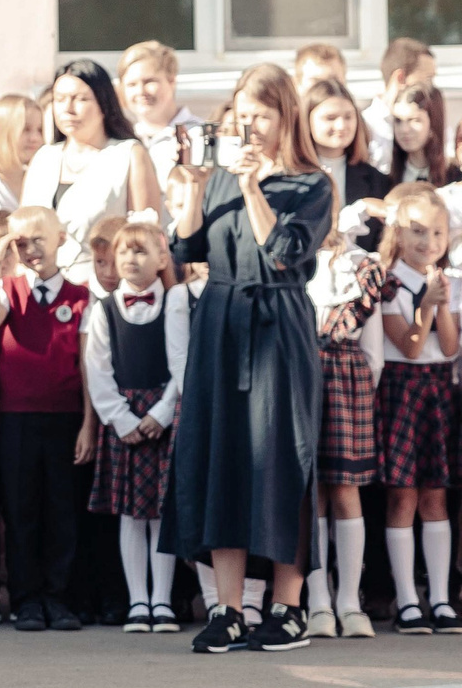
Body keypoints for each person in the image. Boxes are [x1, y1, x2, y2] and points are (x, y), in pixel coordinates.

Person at [163, 63, 335, 655]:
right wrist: (191, 189)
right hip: (219, 319)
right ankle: (229, 610)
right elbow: (185, 250)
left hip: (278, 326)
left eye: (261, 114)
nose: (251, 125)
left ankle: (288, 610)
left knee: (282, 460)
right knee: (221, 458)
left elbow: (285, 252)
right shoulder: (217, 177)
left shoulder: (313, 183)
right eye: (243, 113)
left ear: (286, 115)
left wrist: (252, 187)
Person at [0, 203, 92, 632]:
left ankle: (58, 596)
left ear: (61, 237)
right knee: (21, 509)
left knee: (62, 509)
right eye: (22, 242)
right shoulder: (10, 290)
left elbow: (85, 366)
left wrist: (88, 424)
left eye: (39, 239)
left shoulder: (80, 296)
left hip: (64, 416)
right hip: (19, 418)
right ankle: (26, 598)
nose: (31, 249)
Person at [84, 217, 189, 634]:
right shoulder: (104, 309)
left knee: (161, 511)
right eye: (123, 251)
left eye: (140, 250)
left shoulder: (176, 302)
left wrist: (161, 414)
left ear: (162, 257)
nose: (129, 257)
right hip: (125, 419)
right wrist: (121, 418)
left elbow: (183, 363)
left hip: (162, 415)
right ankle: (137, 601)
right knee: (130, 514)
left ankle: (162, 601)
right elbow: (97, 369)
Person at [366, 186, 454, 636]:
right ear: (399, 233)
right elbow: (412, 347)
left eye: (437, 232)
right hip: (402, 388)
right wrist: (425, 306)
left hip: (439, 391)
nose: (428, 242)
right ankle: (407, 601)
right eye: (417, 231)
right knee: (402, 496)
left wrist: (440, 301)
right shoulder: (388, 282)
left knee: (436, 494)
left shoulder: (451, 282)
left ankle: (439, 599)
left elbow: (451, 346)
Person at [308, 222, 390, 639]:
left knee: (345, 487)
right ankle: (318, 600)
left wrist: (359, 390)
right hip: (302, 374)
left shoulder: (362, 267)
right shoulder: (296, 262)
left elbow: (373, 353)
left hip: (347, 378)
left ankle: (350, 600)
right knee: (313, 490)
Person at [21, 60, 162, 285]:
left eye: (80, 99)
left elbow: (145, 233)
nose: (68, 108)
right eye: (60, 99)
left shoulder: (128, 155)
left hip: (101, 288)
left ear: (103, 103)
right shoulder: (44, 157)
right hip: (40, 289)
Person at [304, 77, 392, 254]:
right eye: (330, 118)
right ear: (306, 121)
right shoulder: (291, 176)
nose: (341, 125)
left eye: (348, 116)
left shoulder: (377, 181)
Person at [119, 41, 203, 191]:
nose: (140, 91)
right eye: (131, 84)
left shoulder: (199, 136)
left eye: (149, 81)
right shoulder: (122, 140)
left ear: (171, 81)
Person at [364, 38, 437, 173]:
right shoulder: (364, 126)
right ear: (401, 78)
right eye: (428, 78)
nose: (432, 87)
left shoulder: (432, 118)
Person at [0, 93, 44, 211]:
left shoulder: (41, 178)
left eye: (40, 130)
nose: (35, 138)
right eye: (26, 129)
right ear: (2, 130)